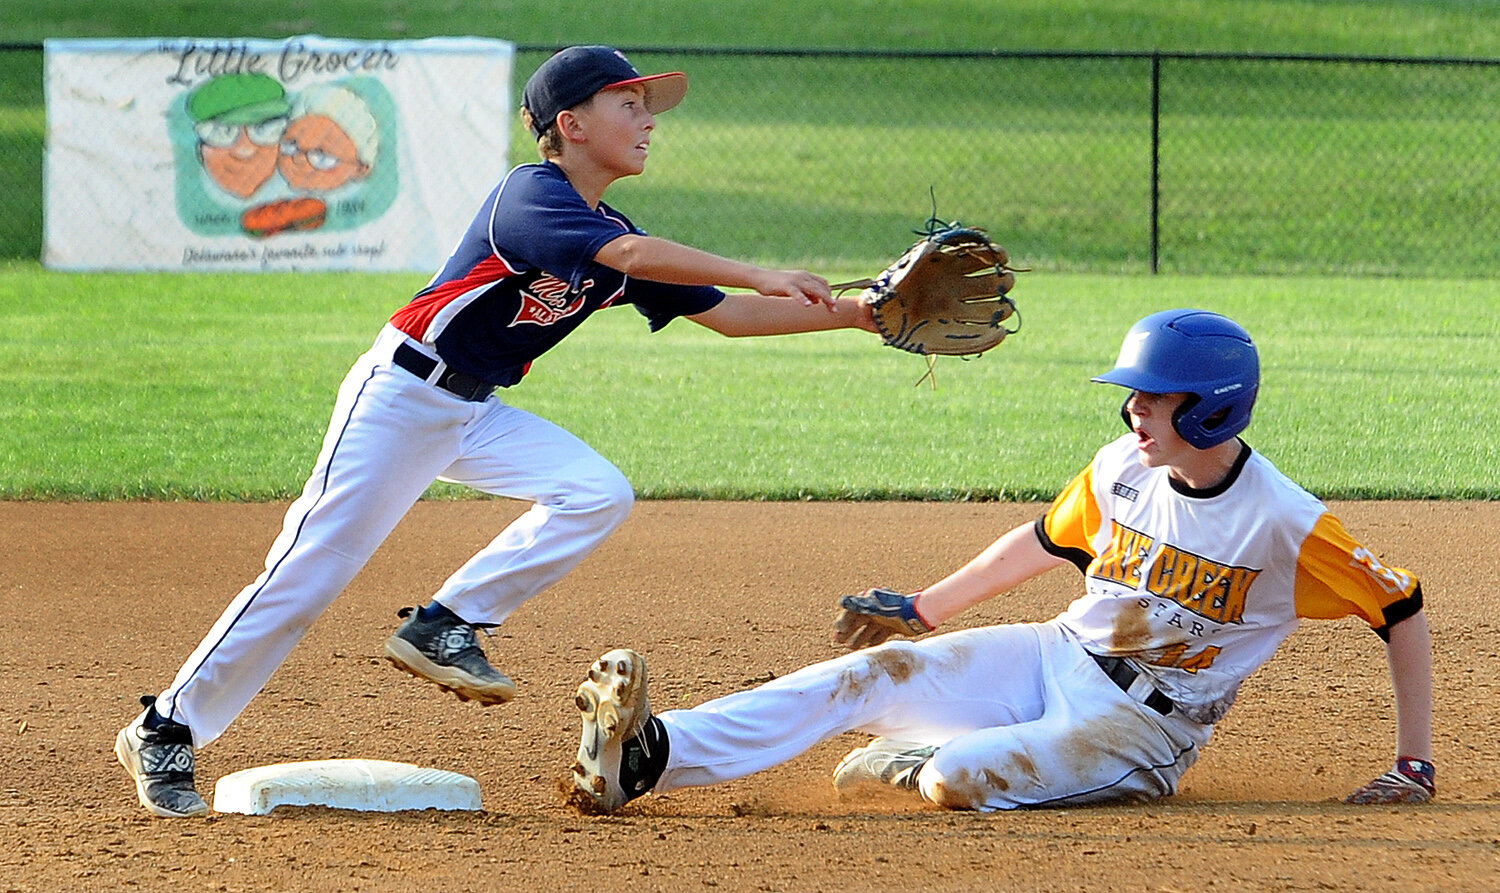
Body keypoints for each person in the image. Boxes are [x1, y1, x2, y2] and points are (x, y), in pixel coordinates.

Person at [116, 44, 878, 818]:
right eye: (630, 104)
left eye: (649, 106)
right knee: (309, 571)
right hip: (400, 396)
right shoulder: (533, 196)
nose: (649, 119)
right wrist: (759, 266)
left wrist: (860, 314)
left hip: (473, 412)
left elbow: (728, 315)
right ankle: (165, 726)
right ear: (571, 124)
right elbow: (632, 255)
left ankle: (447, 622)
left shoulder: (611, 229)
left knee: (595, 491)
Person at [568, 308, 1435, 814]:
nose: (1133, 408)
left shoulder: (1285, 523)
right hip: (1056, 652)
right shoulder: (1121, 466)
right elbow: (1043, 541)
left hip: (1147, 725)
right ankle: (654, 752)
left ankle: (949, 756)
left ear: (1210, 409)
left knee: (955, 781)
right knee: (873, 670)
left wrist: (1413, 762)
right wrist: (923, 607)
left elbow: (1400, 609)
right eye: (1130, 392)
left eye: (1154, 395)